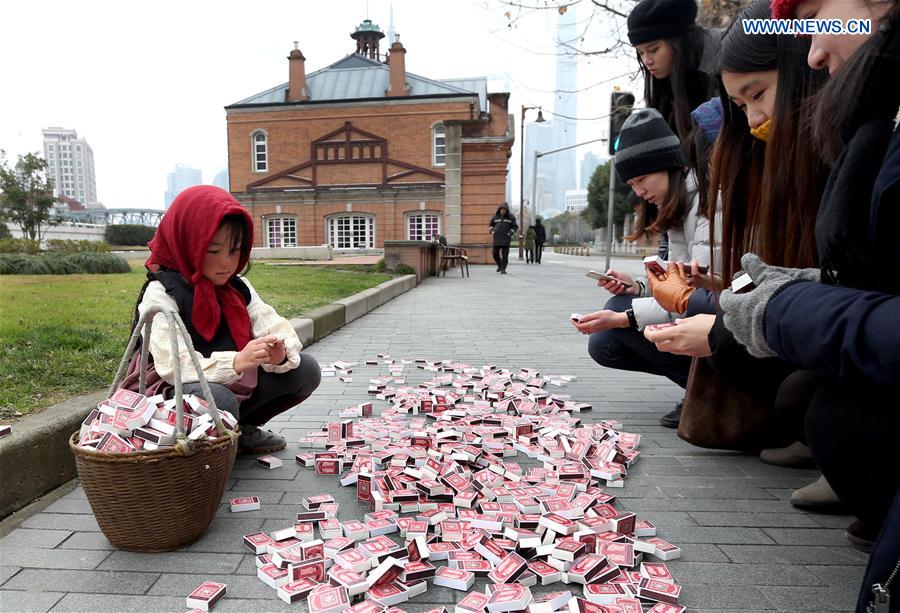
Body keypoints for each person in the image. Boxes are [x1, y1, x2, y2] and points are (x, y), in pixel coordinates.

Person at [716, 0, 900, 575]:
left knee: (743, 350)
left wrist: (768, 307)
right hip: (837, 326)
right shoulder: (791, 151)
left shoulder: (857, 139)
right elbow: (765, 268)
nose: (818, 51)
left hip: (851, 346)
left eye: (758, 95)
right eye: (739, 105)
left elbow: (850, 284)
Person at [126, 186, 322, 453]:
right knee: (217, 399)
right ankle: (199, 447)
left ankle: (241, 431)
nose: (227, 263)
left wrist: (278, 352)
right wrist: (237, 361)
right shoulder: (161, 292)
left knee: (306, 370)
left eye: (234, 250)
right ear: (188, 244)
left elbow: (273, 324)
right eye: (213, 251)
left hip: (232, 378)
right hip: (172, 386)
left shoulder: (238, 287)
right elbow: (174, 367)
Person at [572, 107, 719, 427]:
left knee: (613, 319)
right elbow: (677, 285)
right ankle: (698, 387)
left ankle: (713, 392)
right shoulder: (679, 207)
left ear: (669, 166)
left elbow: (697, 300)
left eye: (641, 179)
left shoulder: (707, 204)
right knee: (606, 338)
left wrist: (625, 316)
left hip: (721, 325)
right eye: (632, 183)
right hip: (698, 314)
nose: (638, 192)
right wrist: (637, 286)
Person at [628, 0, 721, 152]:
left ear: (678, 41)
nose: (647, 61)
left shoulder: (725, 56)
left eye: (654, 49)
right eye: (641, 52)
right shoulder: (665, 82)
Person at [489, 204, 518, 274]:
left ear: (506, 210)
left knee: (505, 255)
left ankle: (503, 269)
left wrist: (510, 233)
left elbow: (515, 227)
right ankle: (499, 265)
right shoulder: (495, 217)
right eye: (501, 209)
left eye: (504, 209)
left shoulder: (511, 217)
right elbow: (490, 225)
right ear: (499, 209)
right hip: (497, 238)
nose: (503, 211)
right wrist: (492, 231)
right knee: (494, 254)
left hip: (506, 239)